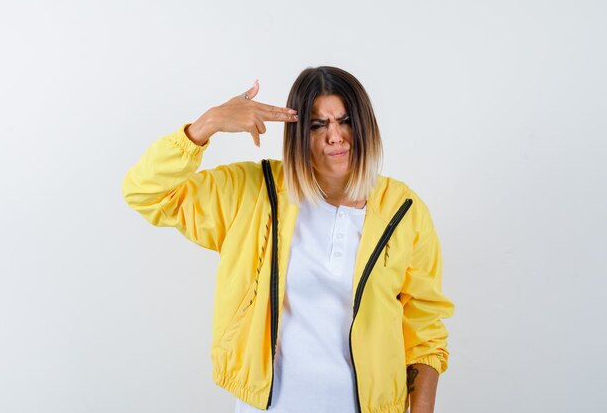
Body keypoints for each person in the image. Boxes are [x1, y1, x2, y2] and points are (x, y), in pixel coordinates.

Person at [122, 66, 454, 413]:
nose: (335, 136)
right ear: (297, 133)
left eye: (345, 121)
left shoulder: (404, 211)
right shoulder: (252, 194)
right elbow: (144, 192)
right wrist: (209, 123)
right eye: (317, 125)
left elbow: (424, 330)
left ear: (364, 126)